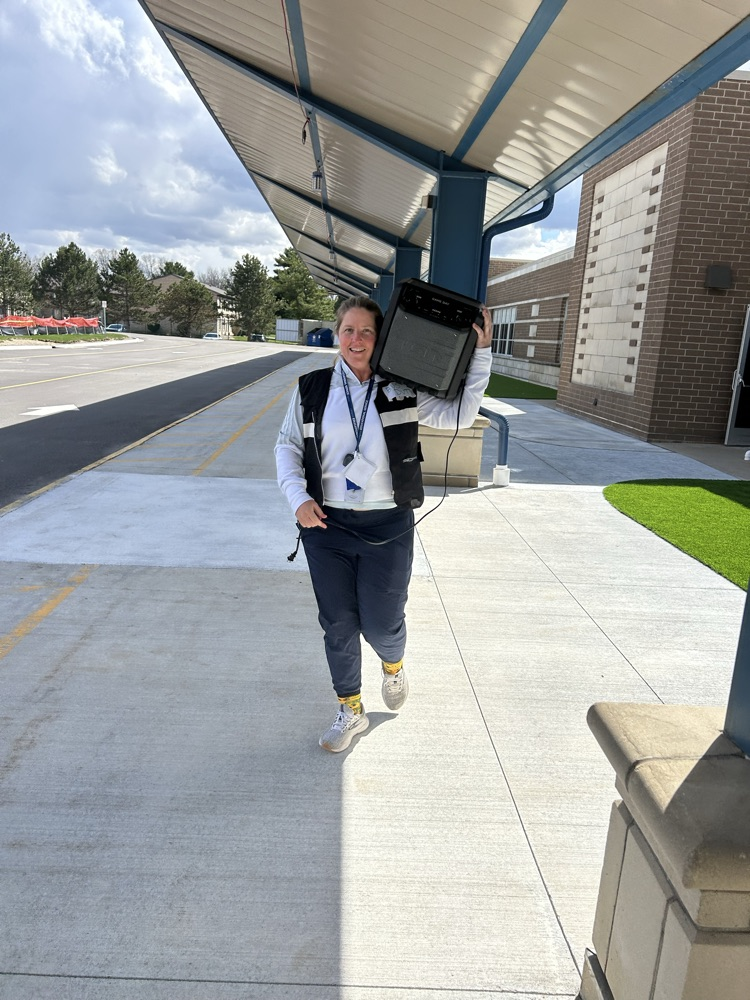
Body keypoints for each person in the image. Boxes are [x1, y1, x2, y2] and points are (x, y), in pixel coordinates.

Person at [275, 294, 492, 752]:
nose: (357, 340)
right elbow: (287, 447)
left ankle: (392, 665)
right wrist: (298, 499)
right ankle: (350, 709)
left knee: (381, 624)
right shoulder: (311, 389)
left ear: (381, 338)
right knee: (337, 622)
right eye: (349, 330)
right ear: (338, 334)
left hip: (387, 526)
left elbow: (460, 413)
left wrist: (483, 355)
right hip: (326, 527)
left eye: (367, 331)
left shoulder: (402, 388)